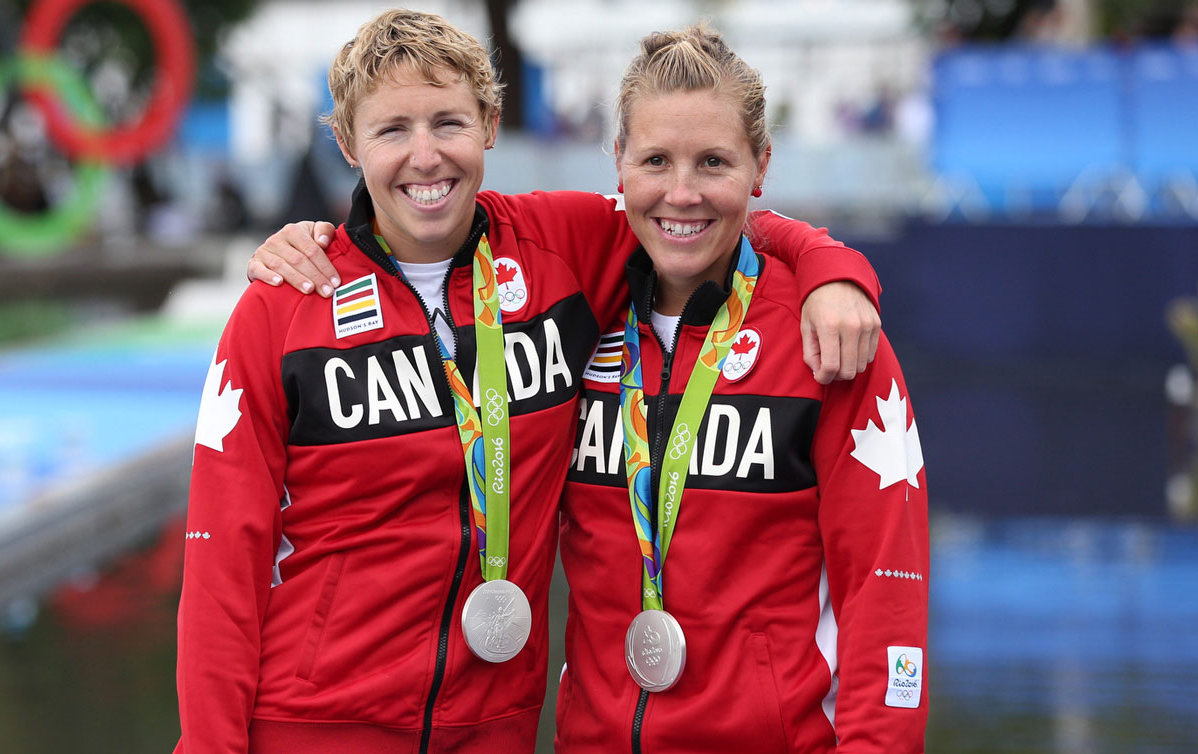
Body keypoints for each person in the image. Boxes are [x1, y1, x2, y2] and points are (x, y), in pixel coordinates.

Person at [177, 9, 883, 753]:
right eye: (392, 131)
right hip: (312, 729)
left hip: (492, 729)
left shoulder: (563, 248)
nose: (425, 157)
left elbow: (698, 211)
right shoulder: (285, 307)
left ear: (490, 123)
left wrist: (831, 269)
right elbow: (223, 566)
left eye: (448, 122)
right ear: (349, 144)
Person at [556, 26, 928, 752]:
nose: (682, 193)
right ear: (619, 164)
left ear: (761, 166)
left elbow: (884, 587)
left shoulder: (830, 339)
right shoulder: (572, 317)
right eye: (656, 160)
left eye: (714, 162)